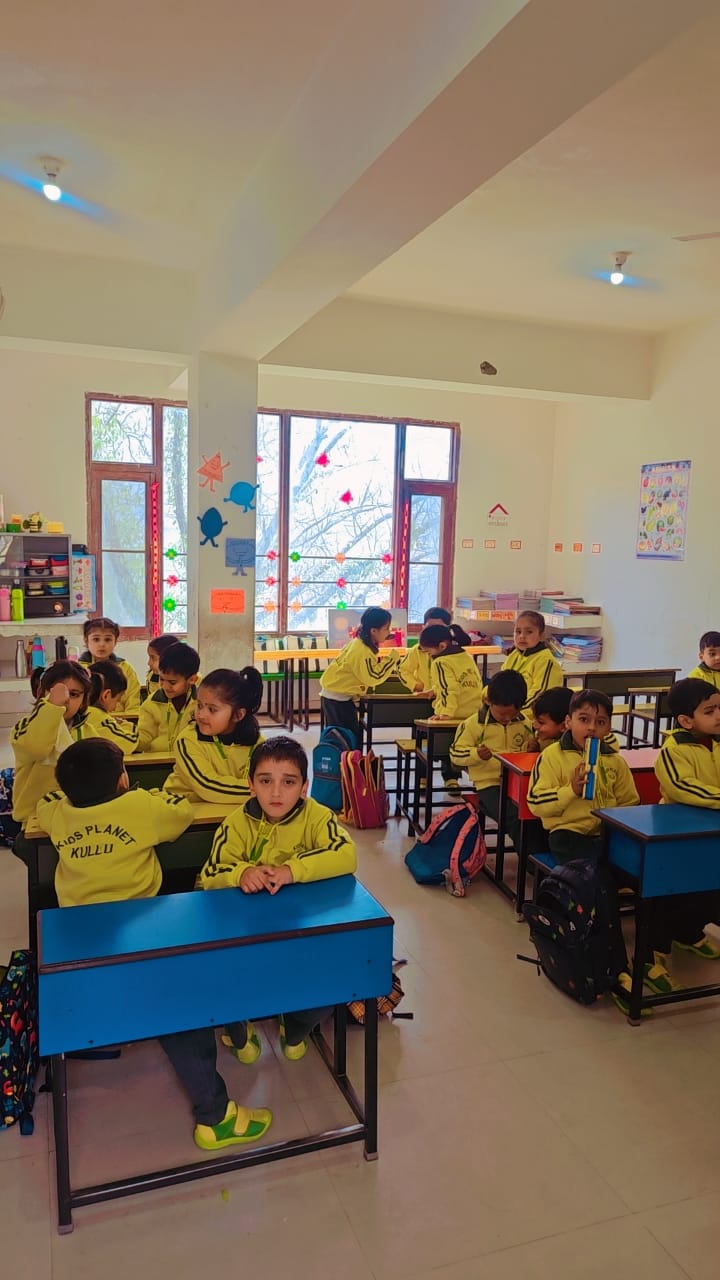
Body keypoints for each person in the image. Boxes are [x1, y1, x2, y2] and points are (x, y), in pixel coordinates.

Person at [36, 739, 271, 1151]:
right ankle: (215, 1117)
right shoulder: (140, 807)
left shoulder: (59, 814)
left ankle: (235, 1031)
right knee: (186, 997)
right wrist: (146, 794)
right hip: (141, 940)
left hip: (82, 944)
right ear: (123, 779)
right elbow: (179, 814)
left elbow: (42, 804)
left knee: (191, 968)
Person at [199, 736, 356, 1062]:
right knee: (222, 969)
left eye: (288, 782)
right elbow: (210, 874)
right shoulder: (236, 824)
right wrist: (240, 873)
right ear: (250, 785)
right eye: (265, 781)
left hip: (299, 924)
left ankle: (296, 1024)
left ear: (304, 786)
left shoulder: (318, 817)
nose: (275, 792)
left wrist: (292, 870)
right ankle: (238, 1023)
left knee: (343, 970)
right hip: (244, 928)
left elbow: (346, 856)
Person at [37, 739, 193, 906]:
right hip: (139, 906)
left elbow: (45, 801)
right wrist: (153, 794)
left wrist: (72, 794)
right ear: (122, 781)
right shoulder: (140, 803)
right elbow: (182, 810)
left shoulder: (58, 813)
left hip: (75, 910)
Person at [645, 677, 720, 993]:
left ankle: (688, 932)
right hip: (677, 835)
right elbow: (684, 788)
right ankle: (653, 954)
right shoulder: (673, 750)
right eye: (710, 710)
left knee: (709, 889)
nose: (719, 715)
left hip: (711, 832)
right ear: (686, 720)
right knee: (668, 893)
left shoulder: (716, 742)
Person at [527, 689, 639, 862]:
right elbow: (536, 802)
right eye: (583, 720)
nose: (592, 727)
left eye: (600, 722)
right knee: (589, 868)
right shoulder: (552, 756)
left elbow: (630, 802)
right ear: (568, 721)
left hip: (605, 833)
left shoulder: (615, 761)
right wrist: (571, 790)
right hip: (568, 832)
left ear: (609, 728)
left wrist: (615, 826)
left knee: (635, 862)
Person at [11, 661, 114, 837]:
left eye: (74, 694)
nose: (65, 699)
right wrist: (52, 707)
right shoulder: (25, 727)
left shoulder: (89, 732)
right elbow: (36, 748)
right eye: (57, 691)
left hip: (77, 817)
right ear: (41, 693)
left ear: (83, 701)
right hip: (35, 820)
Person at [450, 669, 532, 845]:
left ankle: (537, 858)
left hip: (518, 783)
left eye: (513, 713)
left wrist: (532, 748)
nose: (507, 719)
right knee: (513, 817)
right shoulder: (473, 724)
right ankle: (531, 860)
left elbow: (529, 754)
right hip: (488, 784)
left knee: (533, 814)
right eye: (502, 714)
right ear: (488, 701)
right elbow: (455, 754)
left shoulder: (525, 724)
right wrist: (476, 754)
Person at [164, 667, 263, 804]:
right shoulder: (187, 740)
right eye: (199, 705)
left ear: (238, 715)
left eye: (212, 709)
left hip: (230, 813)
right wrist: (264, 790)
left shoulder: (258, 744)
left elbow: (270, 777)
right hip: (184, 813)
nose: (201, 714)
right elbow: (207, 786)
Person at [319, 607, 401, 741]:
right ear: (373, 631)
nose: (389, 632)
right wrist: (392, 658)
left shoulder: (360, 643)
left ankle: (348, 761)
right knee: (345, 739)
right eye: (386, 628)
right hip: (338, 699)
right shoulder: (361, 650)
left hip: (338, 696)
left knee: (346, 737)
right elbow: (373, 677)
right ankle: (346, 762)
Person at [137, 642, 200, 752]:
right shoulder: (151, 704)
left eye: (172, 682)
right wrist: (127, 732)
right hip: (158, 762)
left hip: (192, 759)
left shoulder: (201, 704)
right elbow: (143, 739)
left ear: (192, 680)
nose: (165, 686)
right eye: (161, 679)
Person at [398, 607, 472, 695]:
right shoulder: (417, 650)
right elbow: (403, 670)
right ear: (423, 627)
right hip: (424, 697)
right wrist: (415, 685)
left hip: (449, 698)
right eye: (430, 627)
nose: (433, 632)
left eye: (439, 628)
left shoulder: (456, 654)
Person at [500, 611, 562, 711]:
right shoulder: (514, 655)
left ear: (541, 635)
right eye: (518, 631)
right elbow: (498, 684)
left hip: (530, 718)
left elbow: (539, 698)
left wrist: (511, 711)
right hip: (507, 712)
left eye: (529, 632)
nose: (522, 636)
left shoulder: (546, 661)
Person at [79, 616, 141, 712]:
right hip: (89, 721)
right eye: (96, 639)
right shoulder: (79, 670)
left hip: (121, 721)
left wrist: (127, 720)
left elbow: (133, 702)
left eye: (108, 640)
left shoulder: (125, 668)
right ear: (86, 641)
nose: (102, 644)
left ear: (115, 641)